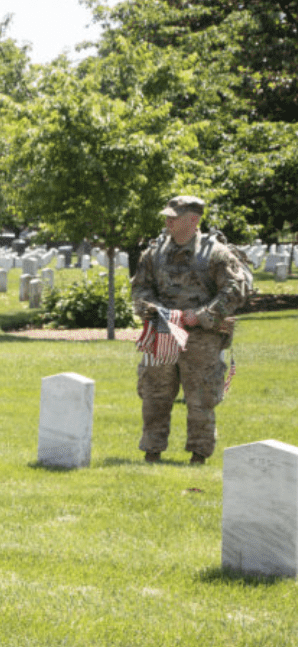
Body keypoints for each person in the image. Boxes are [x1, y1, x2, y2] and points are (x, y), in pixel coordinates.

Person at [131, 195, 246, 465]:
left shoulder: (216, 254)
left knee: (201, 397)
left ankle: (199, 454)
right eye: (167, 216)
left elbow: (234, 290)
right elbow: (140, 288)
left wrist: (203, 316)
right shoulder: (154, 253)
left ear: (193, 220)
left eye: (175, 216)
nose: (168, 220)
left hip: (202, 338)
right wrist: (155, 309)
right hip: (163, 332)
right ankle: (152, 450)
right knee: (154, 393)